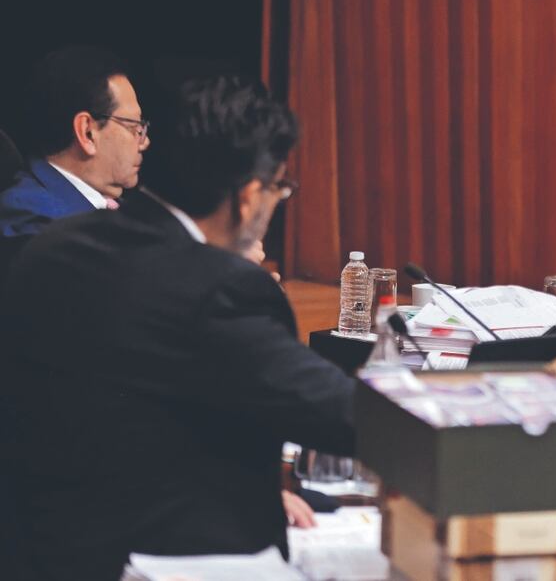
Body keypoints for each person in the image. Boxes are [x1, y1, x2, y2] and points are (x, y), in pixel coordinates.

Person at [1, 77, 356, 580]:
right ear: (250, 197)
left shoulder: (57, 246)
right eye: (281, 188)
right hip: (157, 558)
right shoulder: (219, 287)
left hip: (48, 546)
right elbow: (342, 417)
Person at [0, 46, 149, 238]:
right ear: (87, 132)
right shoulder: (34, 225)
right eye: (134, 126)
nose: (145, 142)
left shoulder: (116, 209)